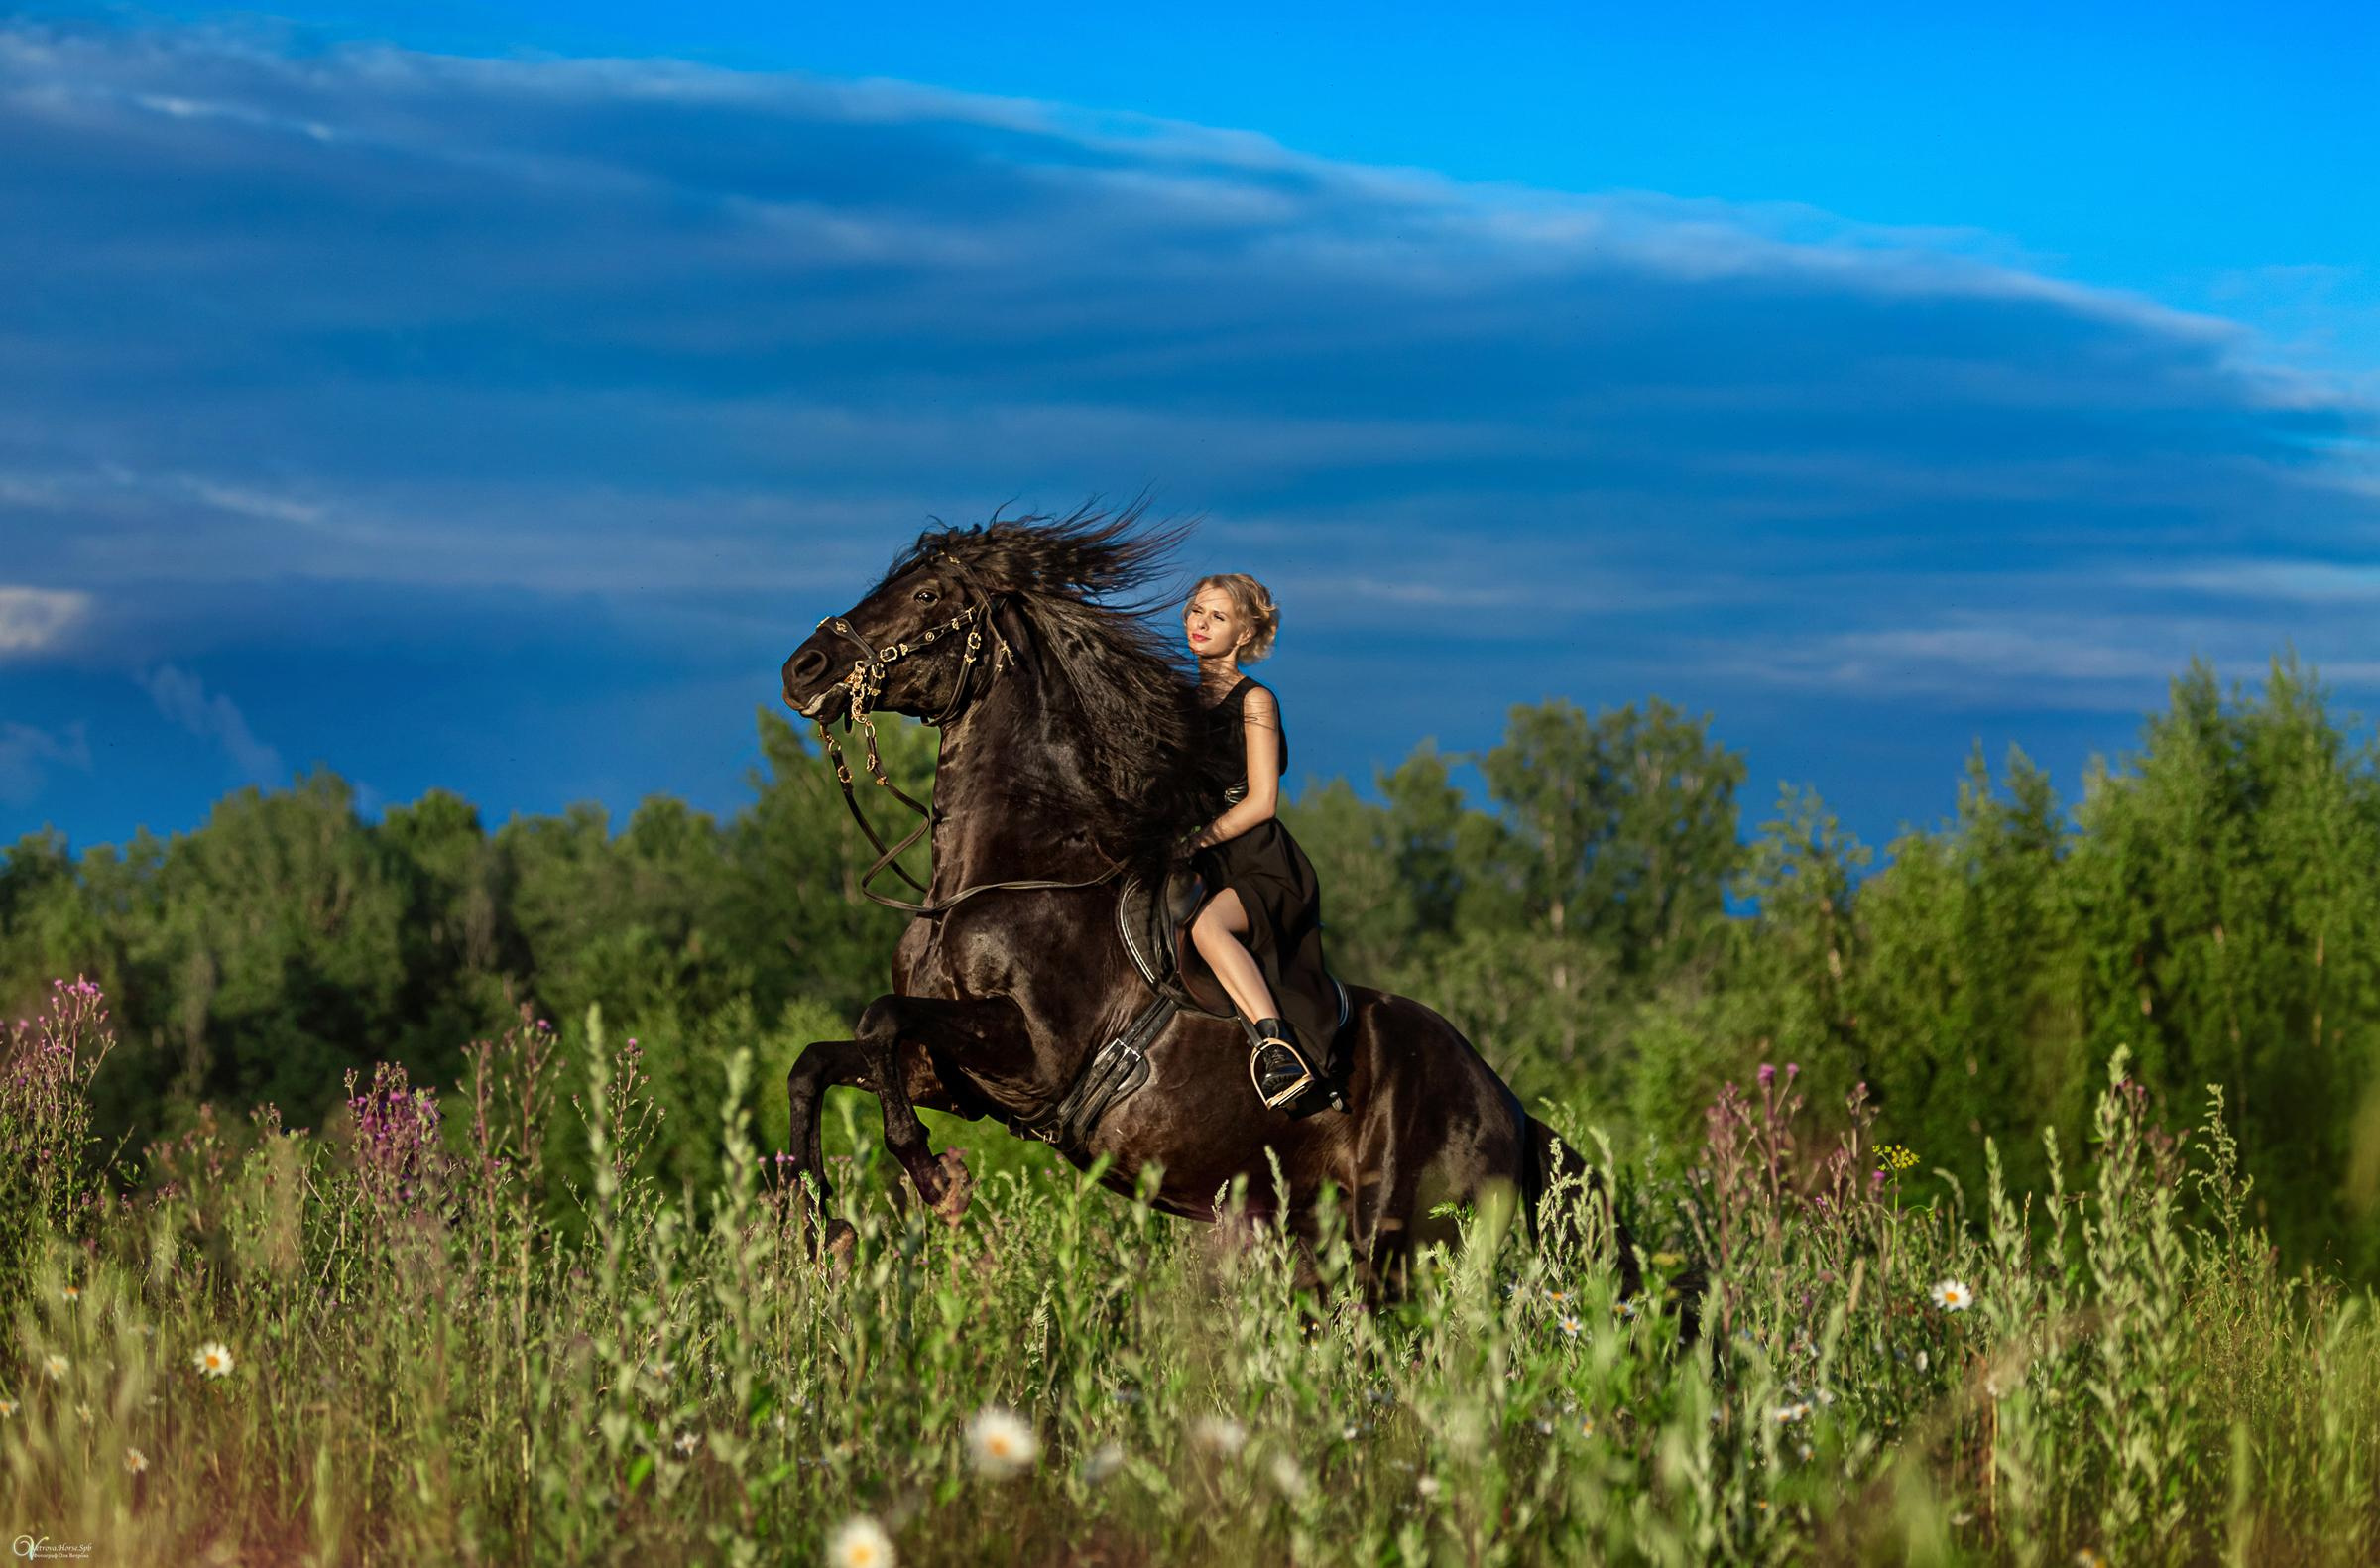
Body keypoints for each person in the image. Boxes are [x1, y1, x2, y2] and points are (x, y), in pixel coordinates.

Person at [1180, 573, 1340, 1111]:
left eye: (1217, 617)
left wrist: (1193, 842)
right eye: (1196, 611)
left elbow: (1261, 802)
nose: (1200, 624)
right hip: (1205, 864)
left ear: (1245, 632)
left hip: (1262, 866)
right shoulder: (1172, 702)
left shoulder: (1255, 702)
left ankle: (1277, 1049)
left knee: (1206, 926)